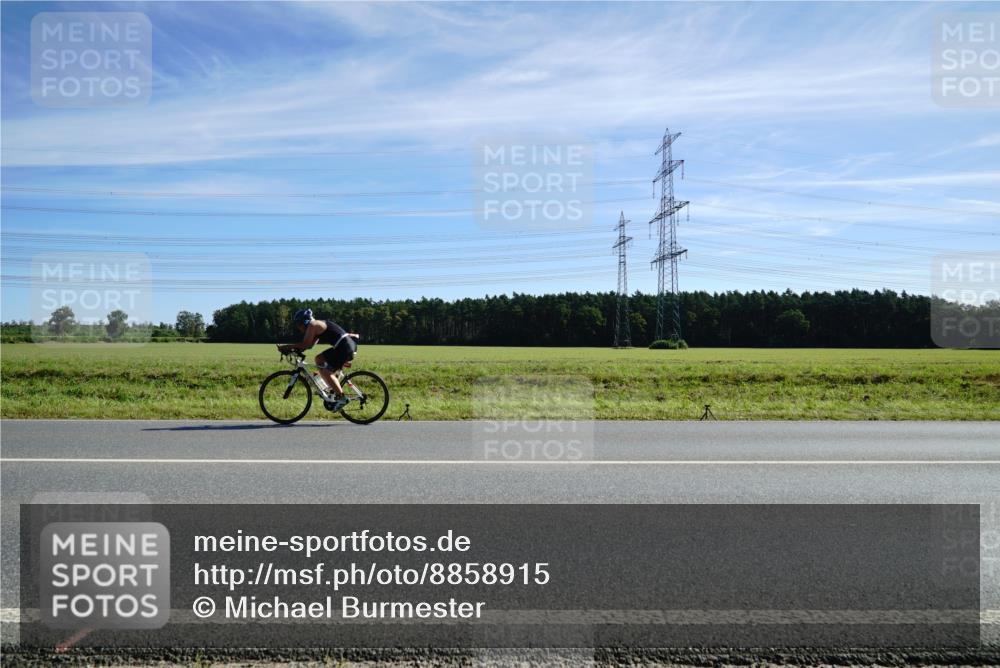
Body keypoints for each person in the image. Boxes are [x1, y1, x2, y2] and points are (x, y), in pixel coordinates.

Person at [279, 308, 359, 410]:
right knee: (319, 359)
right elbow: (309, 345)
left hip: (344, 348)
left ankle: (342, 398)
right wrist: (295, 350)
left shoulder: (313, 325)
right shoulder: (316, 325)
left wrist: (287, 347)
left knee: (327, 372)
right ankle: (330, 387)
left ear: (304, 321)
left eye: (298, 324)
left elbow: (305, 344)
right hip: (345, 346)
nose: (298, 327)